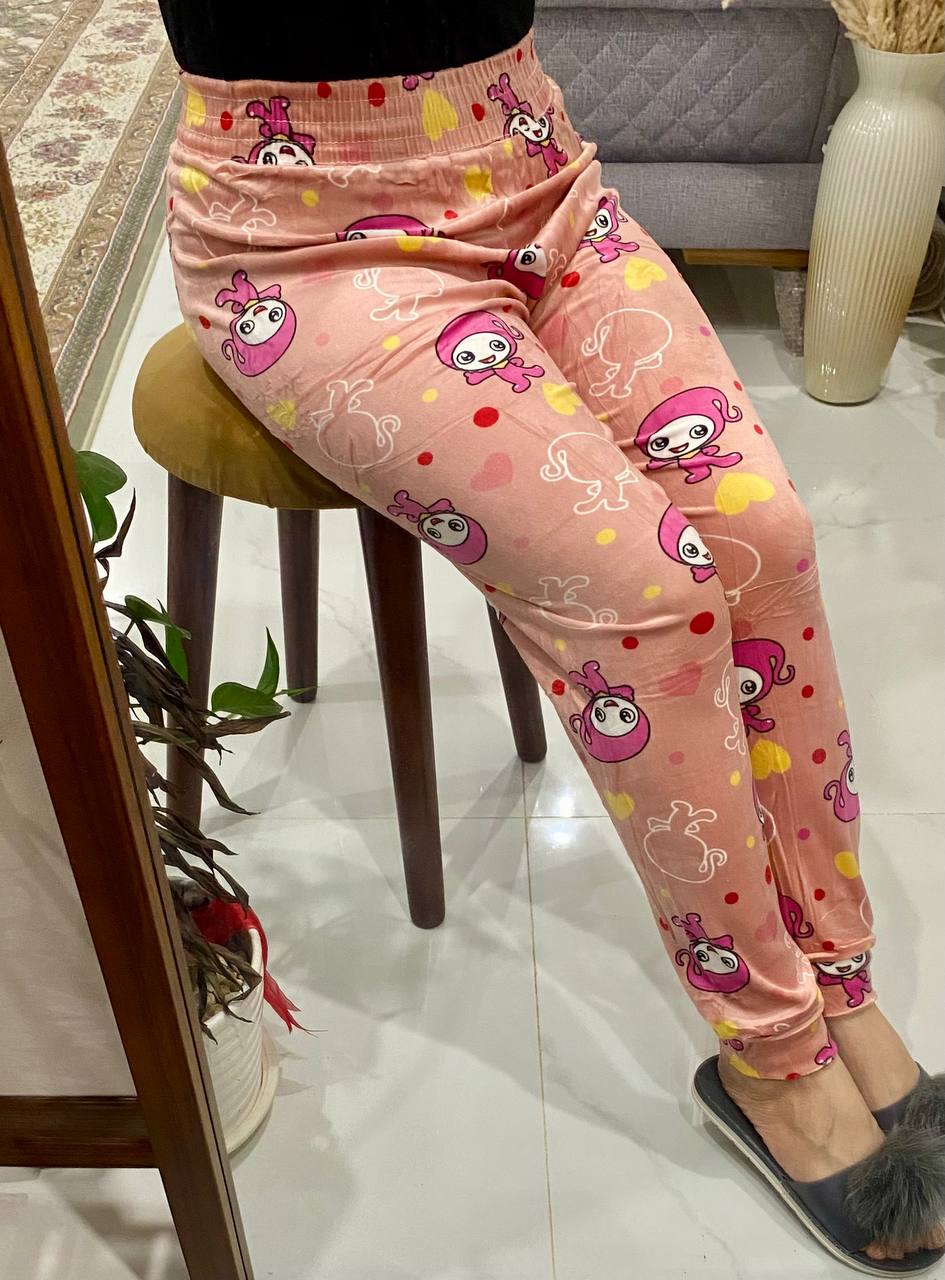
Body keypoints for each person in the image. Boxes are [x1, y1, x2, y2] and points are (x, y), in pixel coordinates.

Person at [157, 1, 945, 1268]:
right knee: (647, 595)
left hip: (530, 168)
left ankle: (841, 986)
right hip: (300, 236)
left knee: (767, 540)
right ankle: (775, 1056)